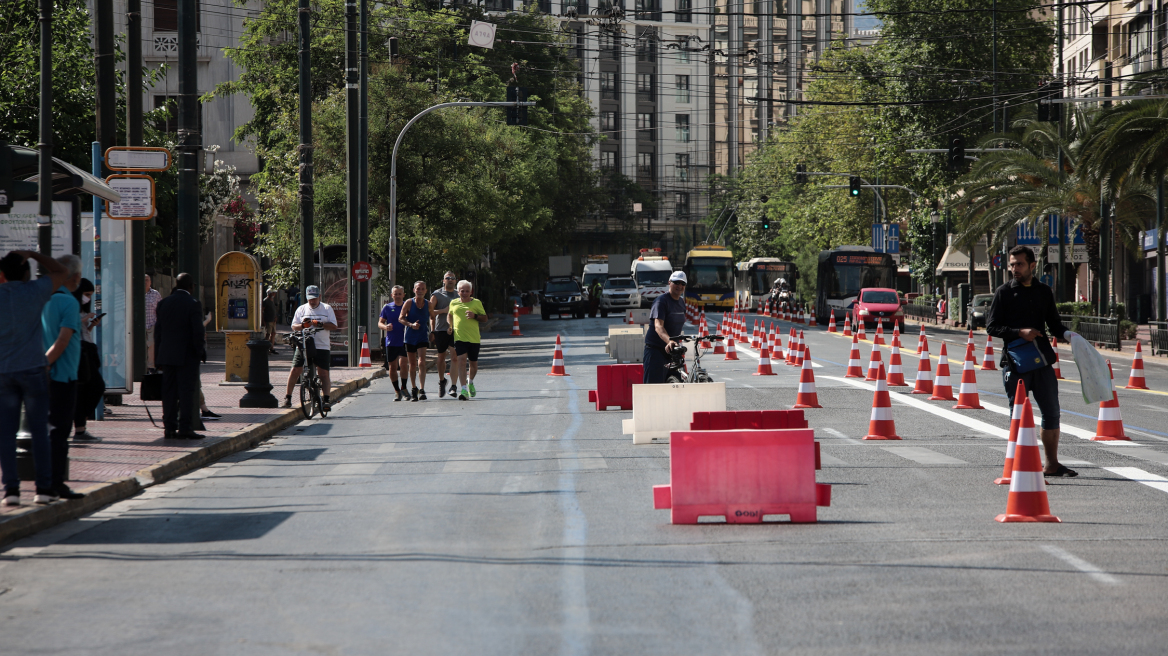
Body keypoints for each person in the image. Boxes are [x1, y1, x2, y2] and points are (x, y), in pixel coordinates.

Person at [987, 245, 1080, 478]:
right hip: (1015, 362)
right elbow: (992, 327)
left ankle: (1052, 464)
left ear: (1032, 265)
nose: (1014, 269)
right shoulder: (1004, 292)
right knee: (1017, 413)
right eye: (1011, 264)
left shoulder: (1044, 291)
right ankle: (1020, 464)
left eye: (1019, 264)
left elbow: (1054, 324)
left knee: (1051, 412)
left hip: (1041, 361)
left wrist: (1071, 336)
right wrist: (1020, 332)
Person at [0, 250, 70, 506]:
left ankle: (12, 491)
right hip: (33, 369)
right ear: (27, 273)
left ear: (3, 275)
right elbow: (61, 271)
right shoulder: (35, 291)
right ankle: (42, 488)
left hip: (4, 371)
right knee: (39, 430)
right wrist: (35, 254)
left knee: (5, 434)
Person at [41, 254, 86, 500]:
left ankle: (44, 484)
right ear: (76, 277)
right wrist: (47, 365)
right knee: (59, 433)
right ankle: (55, 484)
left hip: (42, 376)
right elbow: (63, 339)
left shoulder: (44, 299)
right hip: (61, 376)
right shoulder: (69, 303)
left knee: (45, 431)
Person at [154, 273, 207, 439]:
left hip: (167, 356)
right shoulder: (193, 304)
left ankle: (169, 428)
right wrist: (201, 352)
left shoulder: (163, 303)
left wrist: (158, 358)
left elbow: (158, 333)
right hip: (187, 357)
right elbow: (198, 332)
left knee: (169, 393)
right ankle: (185, 427)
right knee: (186, 393)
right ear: (191, 286)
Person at [285, 285, 338, 410]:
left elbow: (334, 326)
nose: (312, 301)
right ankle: (288, 397)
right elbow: (294, 326)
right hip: (305, 344)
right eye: (310, 299)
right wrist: (303, 325)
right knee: (295, 369)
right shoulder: (301, 309)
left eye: (314, 298)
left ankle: (326, 399)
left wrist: (320, 324)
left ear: (319, 297)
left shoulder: (327, 308)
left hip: (322, 345)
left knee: (323, 372)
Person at [72, 278, 105, 443]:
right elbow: (70, 326)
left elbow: (84, 331)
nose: (88, 298)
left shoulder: (83, 310)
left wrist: (91, 324)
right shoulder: (72, 308)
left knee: (90, 388)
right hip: (79, 350)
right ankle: (79, 425)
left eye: (90, 295)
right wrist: (84, 320)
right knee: (93, 385)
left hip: (88, 348)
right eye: (86, 294)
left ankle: (80, 424)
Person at [643, 271, 688, 384]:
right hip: (656, 351)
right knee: (654, 388)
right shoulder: (661, 301)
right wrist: (669, 341)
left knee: (676, 387)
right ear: (669, 283)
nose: (679, 286)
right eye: (676, 282)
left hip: (673, 352)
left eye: (682, 284)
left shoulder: (681, 303)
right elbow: (658, 326)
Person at [447, 280, 487, 401]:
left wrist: (474, 316)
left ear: (471, 292)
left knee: (473, 365)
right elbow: (449, 315)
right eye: (462, 291)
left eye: (467, 291)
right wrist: (450, 326)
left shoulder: (476, 303)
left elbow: (485, 318)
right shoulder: (453, 303)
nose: (464, 293)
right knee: (461, 361)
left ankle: (470, 381)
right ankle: (463, 389)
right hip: (459, 337)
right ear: (458, 292)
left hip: (474, 338)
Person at [430, 272, 459, 398]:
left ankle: (453, 386)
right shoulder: (437, 294)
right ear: (443, 280)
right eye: (448, 278)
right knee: (441, 357)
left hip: (456, 330)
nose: (450, 280)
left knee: (454, 357)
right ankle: (442, 381)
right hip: (440, 329)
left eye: (453, 278)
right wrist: (443, 311)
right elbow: (430, 313)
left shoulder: (460, 294)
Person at [400, 280, 431, 401]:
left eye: (423, 289)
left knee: (422, 362)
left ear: (426, 291)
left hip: (423, 335)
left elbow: (432, 316)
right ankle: (414, 388)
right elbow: (400, 318)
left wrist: (433, 331)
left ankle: (422, 389)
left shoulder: (428, 304)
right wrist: (410, 324)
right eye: (418, 289)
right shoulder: (409, 302)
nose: (420, 291)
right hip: (410, 336)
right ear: (414, 290)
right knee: (412, 364)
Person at [377, 285, 409, 401]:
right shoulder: (387, 307)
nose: (398, 296)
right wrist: (385, 327)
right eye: (395, 294)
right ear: (392, 295)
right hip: (391, 341)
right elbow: (379, 323)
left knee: (404, 364)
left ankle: (404, 387)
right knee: (392, 367)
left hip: (404, 340)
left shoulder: (407, 306)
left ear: (403, 295)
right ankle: (397, 391)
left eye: (400, 294)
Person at [144, 274, 161, 371]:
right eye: (144, 280)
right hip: (140, 326)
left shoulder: (155, 294)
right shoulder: (135, 292)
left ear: (150, 282)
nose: (145, 282)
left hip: (152, 325)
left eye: (147, 280)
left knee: (151, 345)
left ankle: (151, 366)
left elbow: (160, 309)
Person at [262, 288, 279, 354]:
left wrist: (275, 317)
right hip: (268, 320)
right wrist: (263, 321)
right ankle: (266, 348)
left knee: (273, 333)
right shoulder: (266, 300)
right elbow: (263, 310)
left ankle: (272, 348)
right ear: (270, 293)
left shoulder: (272, 300)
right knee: (268, 334)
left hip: (273, 320)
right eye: (273, 293)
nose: (274, 294)